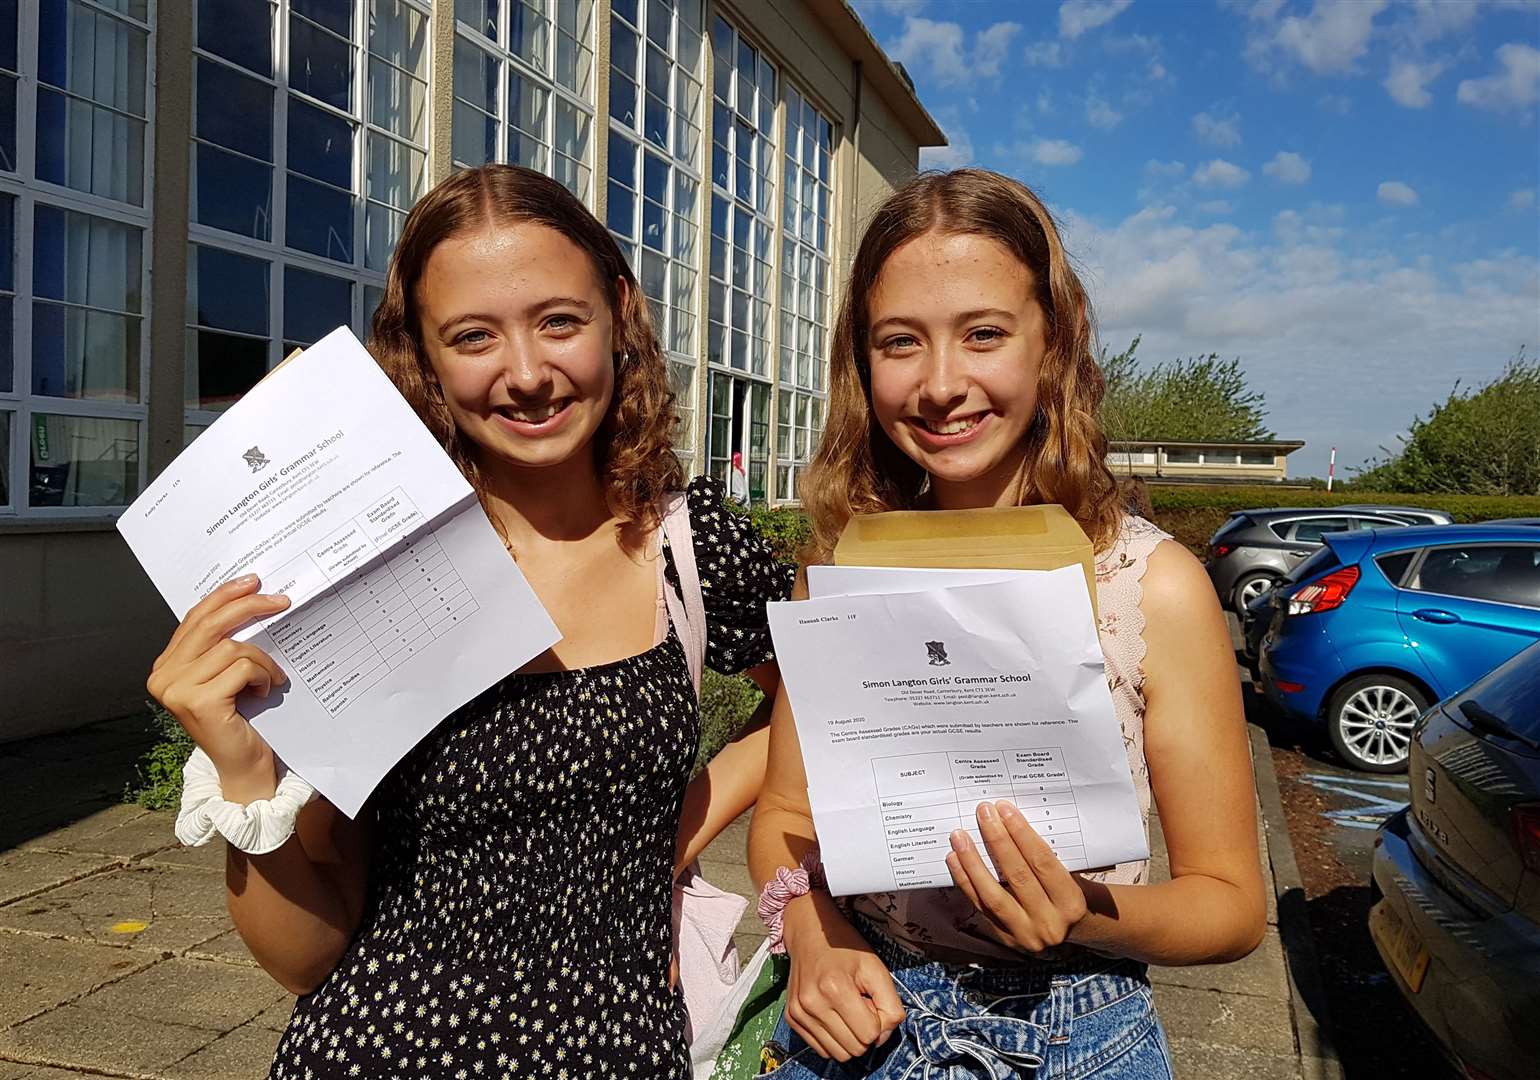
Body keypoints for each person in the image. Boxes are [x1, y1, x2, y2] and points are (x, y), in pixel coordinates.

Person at [147, 165, 793, 1079]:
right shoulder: (366, 566)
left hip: (620, 1051)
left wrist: (690, 811)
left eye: (559, 321)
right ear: (423, 351)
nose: (526, 374)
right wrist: (243, 774)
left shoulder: (690, 548)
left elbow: (815, 694)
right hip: (377, 1049)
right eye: (474, 336)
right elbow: (303, 958)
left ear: (621, 313)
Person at [748, 169, 1266, 1078]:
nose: (942, 384)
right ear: (862, 364)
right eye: (900, 342)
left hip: (1080, 1032)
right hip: (868, 1027)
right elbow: (785, 816)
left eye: (983, 334)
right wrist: (815, 936)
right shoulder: (840, 570)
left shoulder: (1154, 585)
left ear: (1052, 343)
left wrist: (1084, 911)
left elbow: (1229, 906)